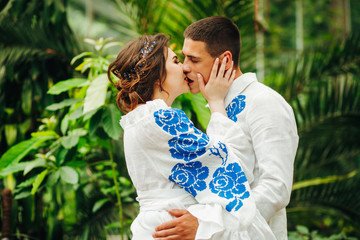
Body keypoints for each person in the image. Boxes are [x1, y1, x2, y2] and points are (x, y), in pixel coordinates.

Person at [108, 33, 276, 239]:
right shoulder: (161, 119)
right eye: (176, 61)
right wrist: (215, 102)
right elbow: (232, 165)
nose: (185, 68)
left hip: (159, 224)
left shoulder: (138, 120)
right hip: (172, 225)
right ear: (157, 74)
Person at [153, 16, 299, 240]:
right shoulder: (217, 104)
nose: (185, 67)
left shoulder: (265, 102)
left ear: (225, 60)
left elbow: (276, 188)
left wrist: (211, 225)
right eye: (183, 57)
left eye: (194, 59)